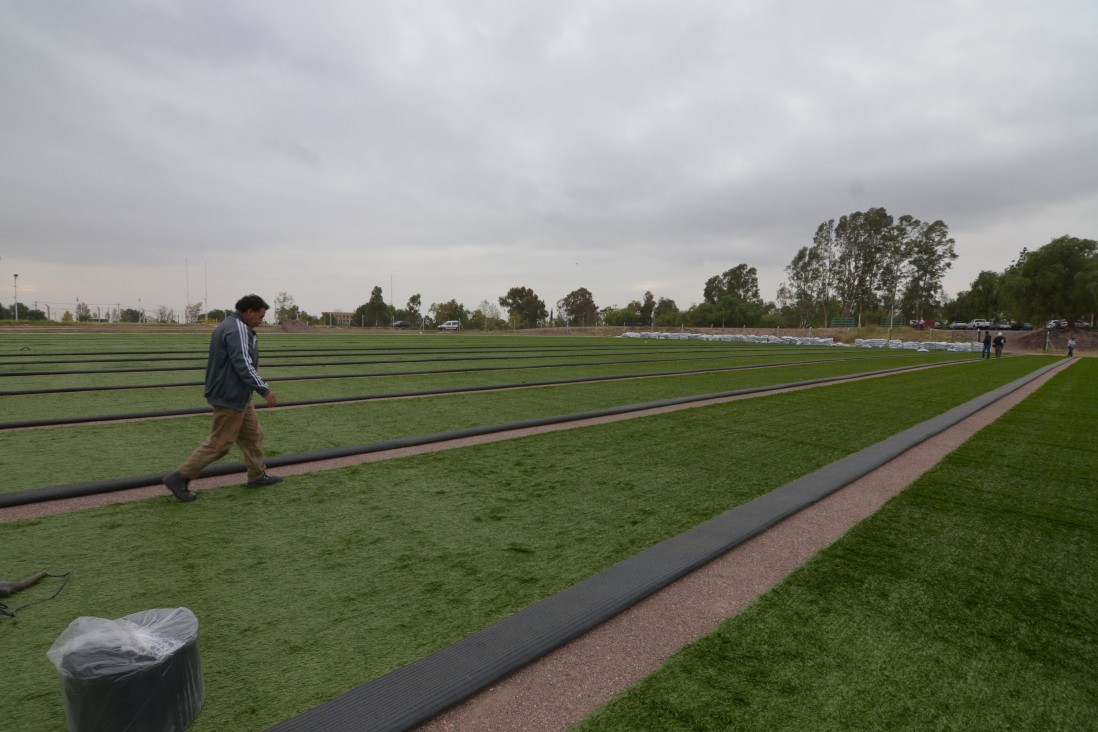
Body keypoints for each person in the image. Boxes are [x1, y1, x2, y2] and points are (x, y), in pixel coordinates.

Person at [163, 294, 283, 502]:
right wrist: (264, 389)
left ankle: (256, 476)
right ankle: (179, 477)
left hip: (239, 393)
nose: (262, 320)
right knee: (220, 442)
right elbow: (243, 364)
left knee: (253, 435)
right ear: (248, 312)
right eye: (260, 316)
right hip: (229, 394)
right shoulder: (236, 329)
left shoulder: (235, 325)